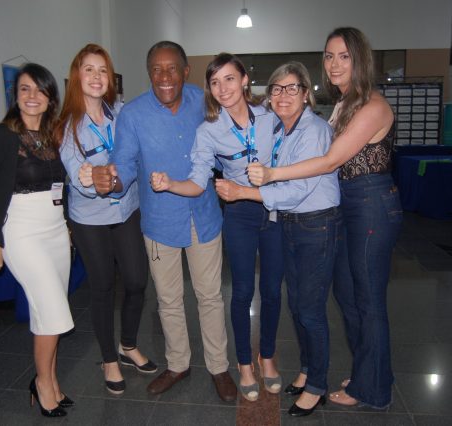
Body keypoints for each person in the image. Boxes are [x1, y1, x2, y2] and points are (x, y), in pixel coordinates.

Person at [247, 27, 402, 409]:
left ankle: (374, 390)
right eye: (329, 56)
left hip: (371, 204)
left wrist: (272, 174)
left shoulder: (372, 105)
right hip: (348, 205)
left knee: (368, 301)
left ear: (360, 59)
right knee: (347, 296)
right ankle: (368, 372)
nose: (334, 64)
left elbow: (331, 160)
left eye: (344, 56)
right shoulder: (345, 102)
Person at [91, 41, 237, 402]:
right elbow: (124, 165)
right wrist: (112, 182)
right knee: (169, 300)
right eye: (156, 69)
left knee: (210, 296)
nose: (164, 76)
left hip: (203, 215)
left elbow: (232, 133)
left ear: (185, 71)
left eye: (172, 68)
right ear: (149, 73)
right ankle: (178, 364)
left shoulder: (204, 101)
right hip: (159, 221)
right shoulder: (133, 115)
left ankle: (219, 367)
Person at [150, 53, 283, 402]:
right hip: (239, 213)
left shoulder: (271, 116)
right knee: (241, 291)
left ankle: (268, 358)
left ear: (244, 80)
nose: (222, 88)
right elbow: (198, 182)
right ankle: (244, 365)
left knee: (272, 290)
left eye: (229, 79)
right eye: (214, 82)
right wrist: (170, 184)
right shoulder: (209, 131)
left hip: (275, 207)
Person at [216, 61, 340, 416]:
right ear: (268, 95)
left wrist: (243, 191)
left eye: (292, 88)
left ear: (306, 93)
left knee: (310, 309)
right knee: (298, 304)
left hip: (315, 224)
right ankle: (306, 370)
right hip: (290, 223)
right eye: (277, 89)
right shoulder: (280, 128)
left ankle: (316, 385)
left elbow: (296, 189)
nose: (283, 95)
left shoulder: (313, 130)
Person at [0, 63, 74, 417]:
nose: (32, 96)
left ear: (50, 98)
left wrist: (67, 226)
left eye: (40, 90)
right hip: (20, 230)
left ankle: (51, 380)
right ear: (15, 95)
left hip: (55, 229)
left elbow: (61, 187)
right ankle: (42, 385)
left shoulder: (54, 135)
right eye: (25, 89)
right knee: (53, 311)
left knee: (47, 314)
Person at [56, 43, 156, 395]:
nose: (97, 77)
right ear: (77, 76)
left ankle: (128, 345)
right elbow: (78, 176)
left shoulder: (122, 113)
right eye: (89, 69)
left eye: (103, 70)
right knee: (101, 287)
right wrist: (90, 179)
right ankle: (109, 359)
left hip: (126, 208)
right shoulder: (68, 127)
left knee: (136, 281)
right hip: (90, 218)